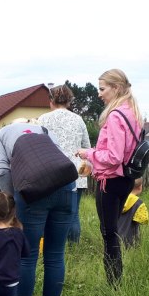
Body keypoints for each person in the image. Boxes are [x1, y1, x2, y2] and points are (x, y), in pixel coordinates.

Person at [0, 120, 76, 296]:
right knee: (56, 255)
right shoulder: (44, 131)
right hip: (67, 188)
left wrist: (13, 201)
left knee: (26, 257)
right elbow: (58, 160)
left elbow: (1, 171)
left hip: (33, 190)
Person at [77, 68, 143, 287]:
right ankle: (115, 281)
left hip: (110, 180)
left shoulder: (115, 116)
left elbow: (113, 157)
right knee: (111, 231)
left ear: (116, 88)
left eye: (102, 88)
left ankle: (114, 284)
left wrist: (88, 153)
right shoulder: (132, 113)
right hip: (125, 180)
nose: (99, 93)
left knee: (109, 234)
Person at [38, 84, 91, 243]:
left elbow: (36, 145)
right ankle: (73, 249)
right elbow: (87, 147)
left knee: (49, 213)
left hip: (50, 173)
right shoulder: (78, 119)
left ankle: (53, 246)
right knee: (73, 214)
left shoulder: (43, 119)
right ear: (69, 101)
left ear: (51, 100)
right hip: (76, 173)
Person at [117, 177, 149, 248]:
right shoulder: (139, 204)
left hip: (115, 240)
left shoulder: (117, 200)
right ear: (140, 187)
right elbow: (143, 220)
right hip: (131, 242)